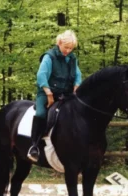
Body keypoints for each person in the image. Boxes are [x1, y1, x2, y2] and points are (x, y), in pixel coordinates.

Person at [27, 30, 82, 162]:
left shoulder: (72, 58)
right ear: (59, 43)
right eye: (66, 47)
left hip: (66, 94)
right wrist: (48, 93)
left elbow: (78, 75)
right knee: (40, 114)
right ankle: (34, 146)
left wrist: (77, 85)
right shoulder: (49, 57)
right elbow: (41, 75)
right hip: (47, 92)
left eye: (71, 48)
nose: (68, 51)